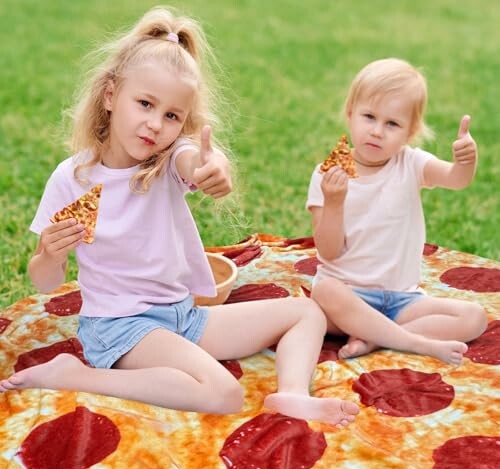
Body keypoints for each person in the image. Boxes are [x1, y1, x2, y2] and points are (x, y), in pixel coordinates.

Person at [0, 6, 359, 427]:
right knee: (223, 393)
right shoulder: (72, 178)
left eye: (172, 115)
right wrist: (49, 253)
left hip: (182, 316)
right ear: (111, 95)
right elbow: (46, 281)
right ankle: (79, 375)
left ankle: (292, 394)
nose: (155, 125)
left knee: (307, 313)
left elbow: (196, 159)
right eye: (145, 104)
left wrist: (214, 168)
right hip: (119, 327)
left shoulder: (168, 161)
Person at [307, 58, 487, 364]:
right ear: (350, 114)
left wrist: (466, 161)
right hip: (348, 299)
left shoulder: (412, 164)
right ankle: (411, 341)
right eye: (369, 117)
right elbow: (328, 251)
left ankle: (374, 339)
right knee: (325, 293)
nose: (377, 131)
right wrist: (334, 202)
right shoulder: (328, 175)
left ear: (410, 131)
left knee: (474, 317)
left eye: (392, 124)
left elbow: (457, 180)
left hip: (403, 299)